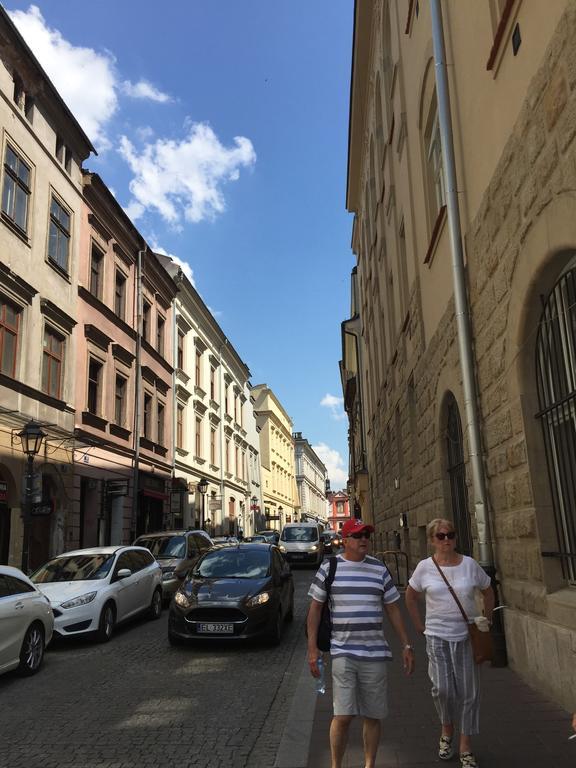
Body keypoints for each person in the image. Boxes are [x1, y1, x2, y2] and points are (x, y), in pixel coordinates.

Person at [307, 518, 414, 768]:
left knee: (373, 715)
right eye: (357, 535)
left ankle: (369, 764)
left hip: (375, 652)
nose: (363, 539)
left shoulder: (379, 568)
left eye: (366, 534)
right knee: (343, 715)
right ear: (345, 541)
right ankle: (336, 764)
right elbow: (314, 609)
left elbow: (393, 609)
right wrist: (313, 648)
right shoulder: (329, 567)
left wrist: (406, 645)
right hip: (343, 651)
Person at [405, 518, 495, 768]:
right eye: (441, 536)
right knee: (442, 690)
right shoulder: (425, 567)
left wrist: (486, 620)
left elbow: (488, 590)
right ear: (432, 540)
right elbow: (410, 597)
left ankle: (465, 745)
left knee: (469, 693)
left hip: (466, 638)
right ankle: (447, 730)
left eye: (450, 535)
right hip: (436, 637)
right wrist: (419, 626)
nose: (447, 540)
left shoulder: (469, 565)